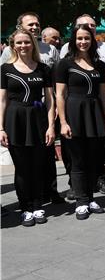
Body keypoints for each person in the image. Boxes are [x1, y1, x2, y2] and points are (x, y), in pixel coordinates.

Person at [1, 13, 62, 204]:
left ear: (32, 44)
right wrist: (1, 128)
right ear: (13, 46)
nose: (23, 46)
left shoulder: (43, 68)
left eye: (26, 43)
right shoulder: (5, 69)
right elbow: (2, 100)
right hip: (16, 119)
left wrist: (51, 126)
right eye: (18, 43)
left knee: (38, 163)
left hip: (38, 118)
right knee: (22, 165)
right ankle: (25, 205)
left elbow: (50, 98)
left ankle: (38, 203)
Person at [55, 24, 105, 220]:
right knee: (77, 161)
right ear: (73, 40)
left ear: (92, 40)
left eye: (87, 38)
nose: (83, 42)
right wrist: (63, 121)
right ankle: (81, 201)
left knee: (93, 159)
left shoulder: (99, 64)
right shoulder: (65, 63)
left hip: (94, 112)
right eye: (79, 38)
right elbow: (60, 94)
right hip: (74, 112)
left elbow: (103, 93)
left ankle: (90, 197)